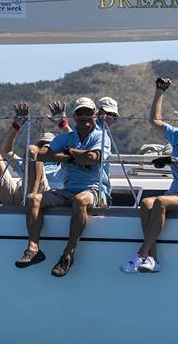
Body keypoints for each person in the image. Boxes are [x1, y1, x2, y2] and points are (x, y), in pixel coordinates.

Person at [121, 78, 178, 273]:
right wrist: (159, 91)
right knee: (147, 203)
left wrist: (172, 160)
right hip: (177, 192)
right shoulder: (177, 135)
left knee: (161, 202)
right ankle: (152, 259)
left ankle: (141, 254)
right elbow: (154, 121)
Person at [15, 97, 110, 277]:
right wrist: (72, 157)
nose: (84, 116)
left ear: (95, 115)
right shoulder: (66, 137)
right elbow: (42, 154)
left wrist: (67, 151)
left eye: (88, 112)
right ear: (74, 116)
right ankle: (34, 248)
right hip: (68, 190)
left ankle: (68, 254)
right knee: (33, 198)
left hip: (96, 189)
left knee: (80, 200)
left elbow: (92, 158)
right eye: (80, 113)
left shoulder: (100, 136)